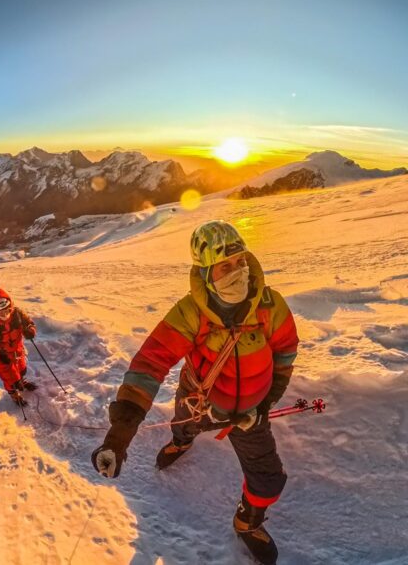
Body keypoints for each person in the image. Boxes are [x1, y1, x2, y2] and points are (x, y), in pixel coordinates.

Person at [91, 220, 298, 565]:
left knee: (269, 477)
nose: (237, 271)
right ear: (205, 273)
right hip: (200, 397)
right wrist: (121, 431)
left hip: (251, 412)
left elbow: (285, 352)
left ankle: (247, 521)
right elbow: (150, 362)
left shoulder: (269, 305)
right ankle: (182, 441)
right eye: (224, 266)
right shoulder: (191, 312)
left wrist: (268, 401)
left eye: (240, 262)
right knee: (184, 424)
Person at [0, 287, 38, 406]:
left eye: (7, 309)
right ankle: (14, 395)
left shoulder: (17, 314)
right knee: (10, 379)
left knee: (21, 370)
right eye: (1, 312)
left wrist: (30, 331)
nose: (6, 313)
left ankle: (22, 382)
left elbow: (29, 323)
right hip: (2, 359)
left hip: (17, 352)